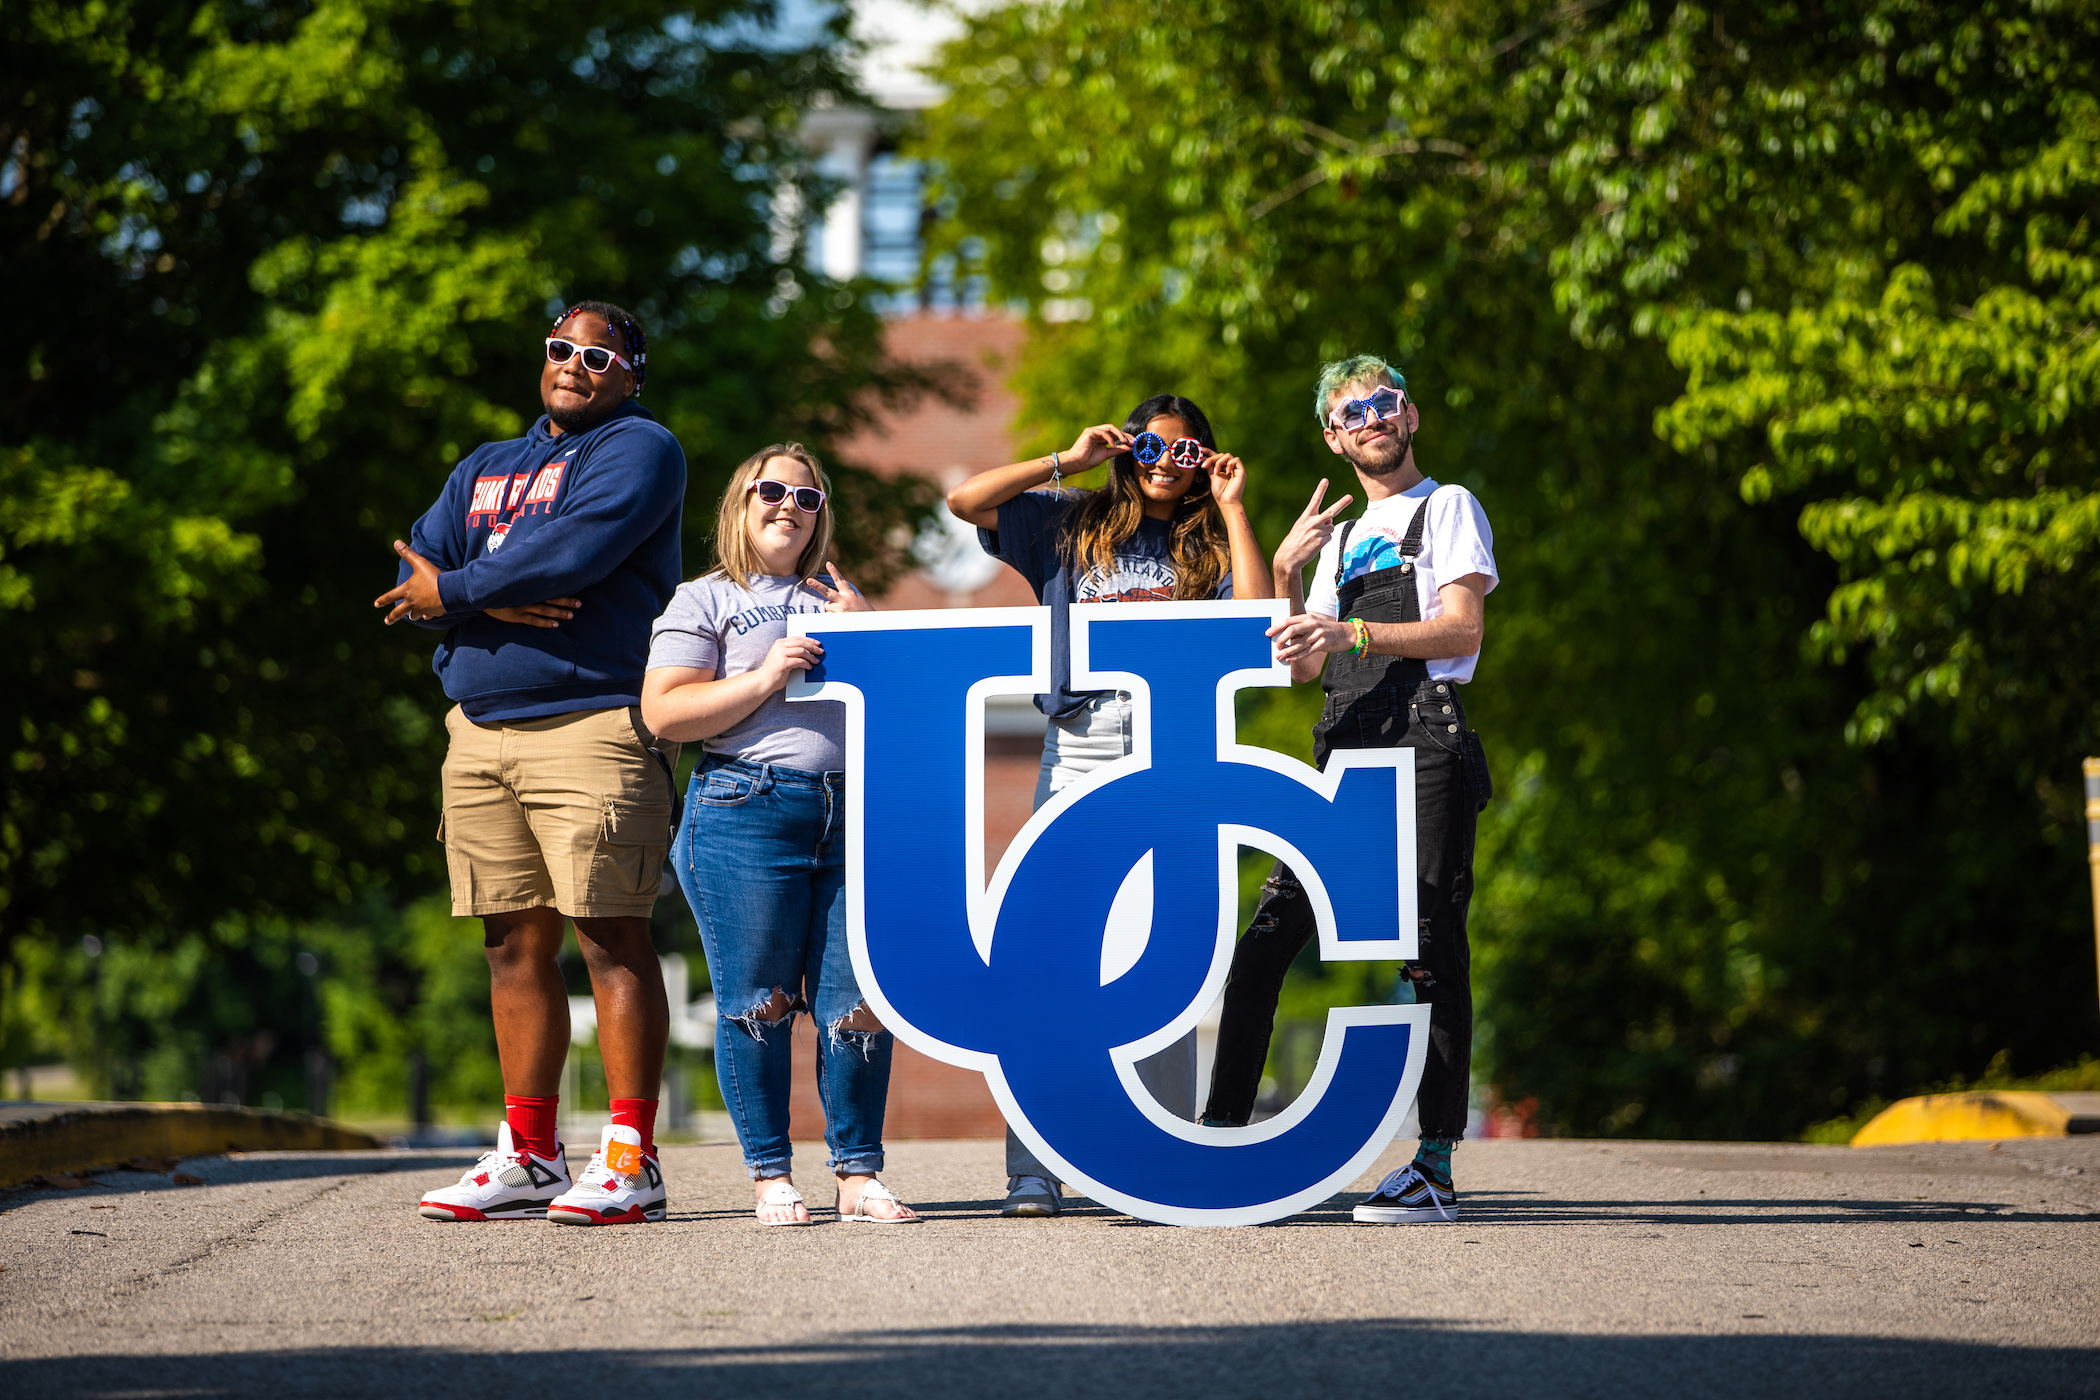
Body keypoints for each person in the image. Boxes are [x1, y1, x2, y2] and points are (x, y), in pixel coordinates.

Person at [379, 302, 688, 1225]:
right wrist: (486, 601)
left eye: (599, 356)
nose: (575, 366)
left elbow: (576, 549)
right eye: (561, 350)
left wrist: (468, 590)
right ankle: (531, 1153)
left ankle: (630, 1158)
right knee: (511, 943)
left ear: (631, 373)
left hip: (593, 720)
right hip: (477, 728)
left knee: (609, 935)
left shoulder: (643, 448)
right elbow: (414, 575)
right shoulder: (483, 465)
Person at [947, 393, 1273, 1218]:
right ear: (1128, 449)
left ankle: (1154, 1156)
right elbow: (965, 501)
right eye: (1152, 446)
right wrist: (1069, 457)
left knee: (1170, 957)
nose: (1168, 461)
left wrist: (1233, 509)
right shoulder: (1071, 521)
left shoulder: (1206, 539)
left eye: (1188, 450)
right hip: (1082, 744)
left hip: (1175, 751)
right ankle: (1033, 1168)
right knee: (1053, 957)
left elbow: (1257, 625)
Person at [1201, 355, 1498, 1226]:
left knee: (1433, 941)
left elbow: (1462, 627)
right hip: (1344, 745)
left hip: (1426, 736)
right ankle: (1221, 1144)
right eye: (1351, 411)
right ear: (1333, 436)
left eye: (1384, 403)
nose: (1371, 418)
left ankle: (1433, 1166)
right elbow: (1300, 671)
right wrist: (1288, 577)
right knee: (1263, 943)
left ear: (1410, 416)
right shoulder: (1334, 538)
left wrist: (1351, 626)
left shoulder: (1448, 507)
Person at [641, 444, 918, 1225]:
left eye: (808, 498)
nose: (789, 506)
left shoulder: (841, 595)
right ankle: (770, 1175)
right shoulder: (706, 600)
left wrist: (875, 638)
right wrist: (765, 677)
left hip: (853, 810)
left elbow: (903, 707)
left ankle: (858, 1175)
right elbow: (664, 712)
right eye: (772, 491)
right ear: (740, 503)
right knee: (757, 1000)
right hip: (745, 807)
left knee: (858, 1001)